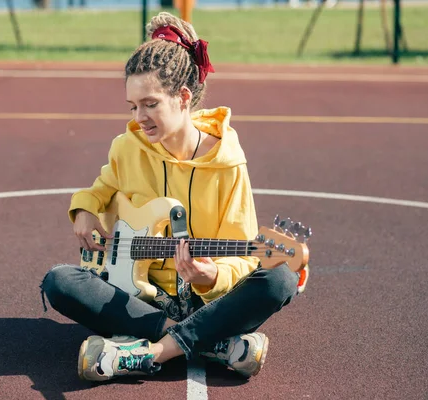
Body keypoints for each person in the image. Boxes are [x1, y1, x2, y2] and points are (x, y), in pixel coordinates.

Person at [40, 11, 308, 382]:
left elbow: (243, 259)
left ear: (182, 97)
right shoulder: (127, 147)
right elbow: (100, 188)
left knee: (280, 279)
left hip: (206, 300)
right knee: (59, 281)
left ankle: (152, 351)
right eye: (133, 106)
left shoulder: (228, 164)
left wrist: (210, 274)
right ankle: (217, 343)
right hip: (139, 295)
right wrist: (85, 208)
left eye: (150, 104)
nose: (140, 118)